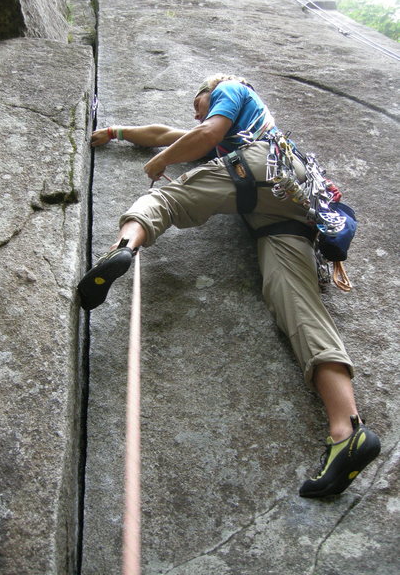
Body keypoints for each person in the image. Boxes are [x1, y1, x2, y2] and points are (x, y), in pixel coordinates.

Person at [78, 74, 380, 498]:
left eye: (197, 99)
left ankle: (123, 247)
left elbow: (206, 133)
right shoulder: (238, 125)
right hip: (292, 207)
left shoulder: (234, 89)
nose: (195, 108)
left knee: (165, 198)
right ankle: (347, 430)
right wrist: (116, 132)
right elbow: (168, 134)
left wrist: (159, 164)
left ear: (214, 88)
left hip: (260, 166)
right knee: (297, 304)